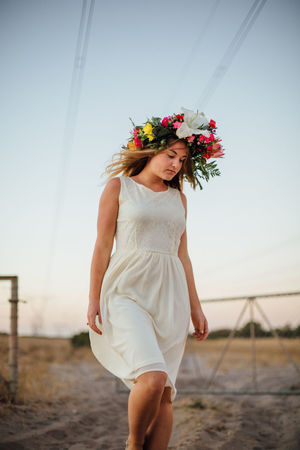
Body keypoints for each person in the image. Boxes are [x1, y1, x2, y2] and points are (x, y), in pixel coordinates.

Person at [87, 107, 224, 450]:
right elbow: (103, 246)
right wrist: (92, 299)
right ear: (151, 150)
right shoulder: (119, 187)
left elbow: (183, 255)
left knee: (164, 394)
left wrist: (197, 308)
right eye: (170, 154)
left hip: (171, 296)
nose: (175, 164)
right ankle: (134, 444)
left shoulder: (180, 199)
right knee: (151, 378)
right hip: (125, 291)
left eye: (182, 159)